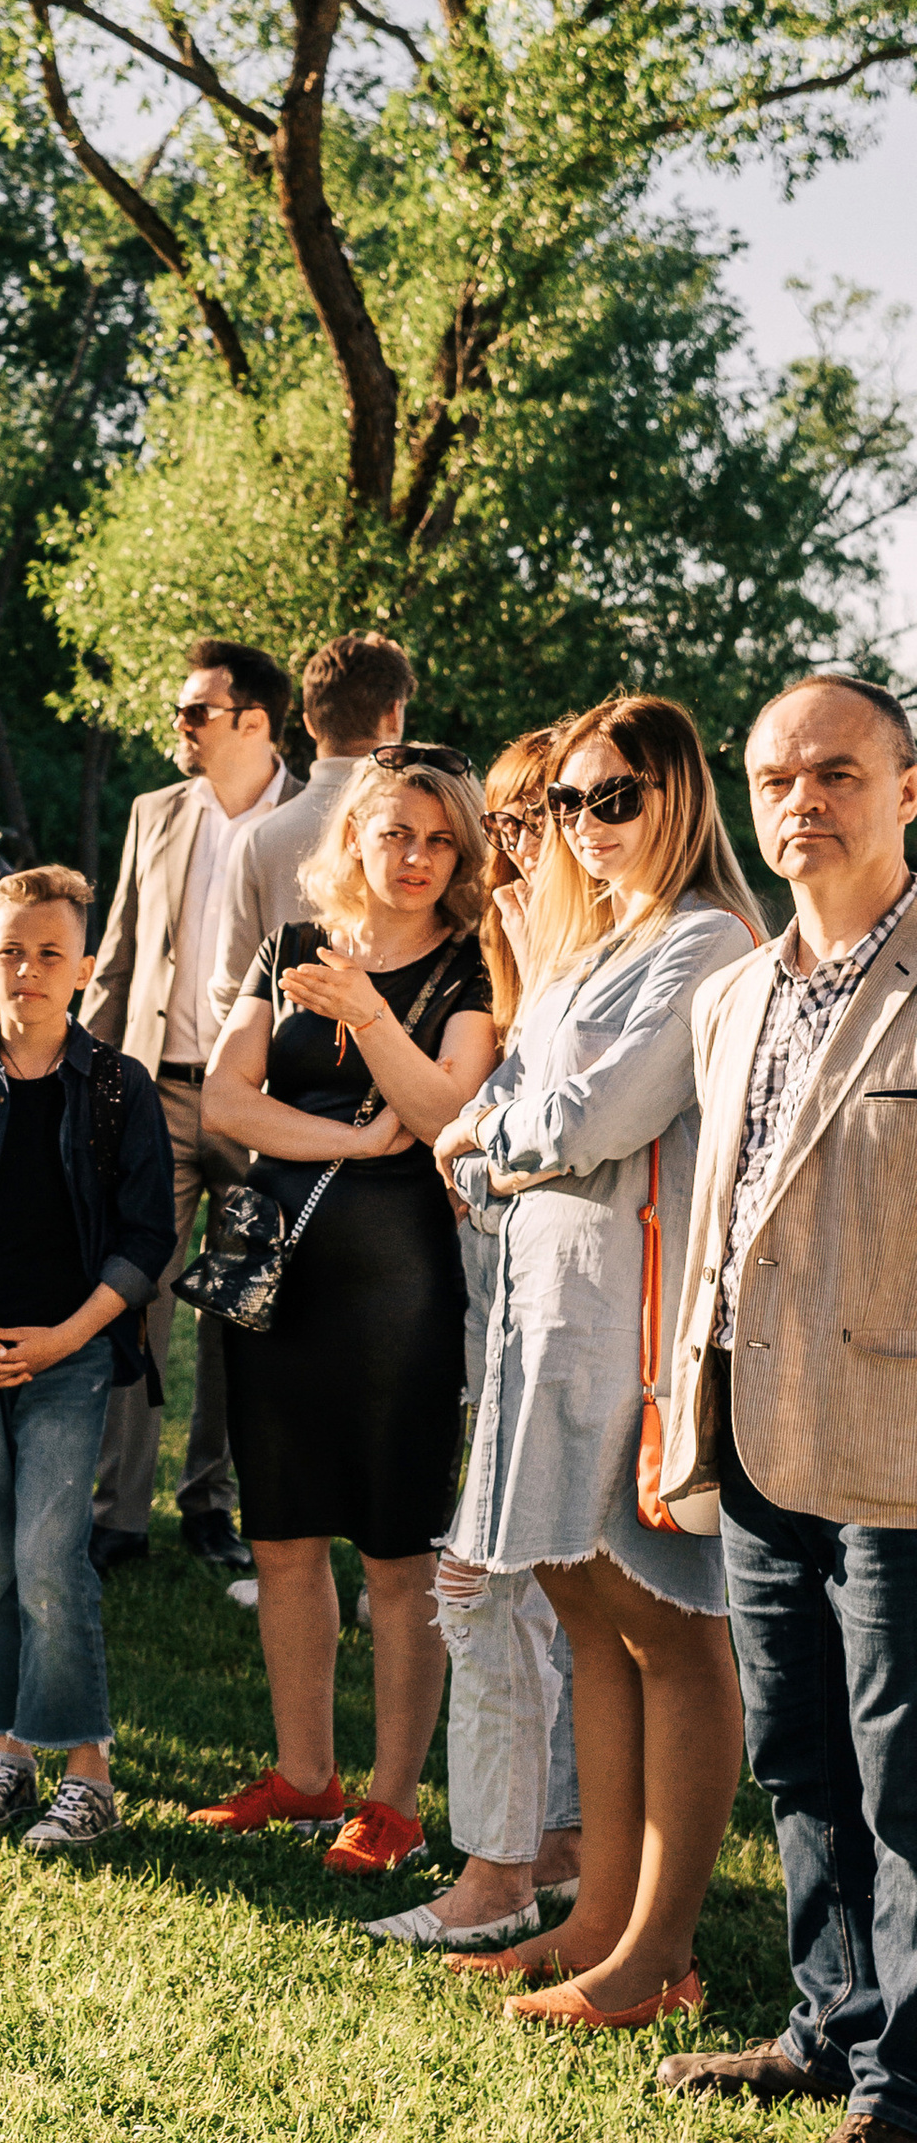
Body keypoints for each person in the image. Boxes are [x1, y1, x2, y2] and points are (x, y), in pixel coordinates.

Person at [433, 696, 759, 2029]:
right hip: (543, 1314)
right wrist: (505, 1127)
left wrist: (495, 1141)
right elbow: (515, 1092)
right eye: (568, 802)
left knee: (671, 1628)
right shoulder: (592, 939)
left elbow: (589, 1112)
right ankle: (596, 1914)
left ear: (678, 794)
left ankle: (658, 1949)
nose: (586, 824)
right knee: (586, 1613)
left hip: (631, 1327)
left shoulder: (707, 938)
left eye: (613, 795)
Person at [653, 674, 917, 2143]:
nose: (801, 799)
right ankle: (828, 2026)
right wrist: (674, 1401)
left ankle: (906, 2096)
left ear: (904, 791)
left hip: (897, 1438)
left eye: (836, 771)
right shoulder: (734, 991)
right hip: (749, 1426)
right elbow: (716, 1225)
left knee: (908, 1768)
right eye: (773, 778)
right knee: (801, 1747)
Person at [198, 750, 499, 1865]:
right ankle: (305, 1775)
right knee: (279, 1536)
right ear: (353, 841)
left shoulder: (475, 969)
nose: (416, 858)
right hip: (276, 1276)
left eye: (438, 841)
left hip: (402, 1287)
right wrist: (349, 1137)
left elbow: (442, 1112)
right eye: (395, 835)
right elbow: (227, 1105)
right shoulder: (290, 952)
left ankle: (394, 1803)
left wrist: (370, 1019)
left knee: (394, 1555)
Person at [0, 867, 176, 1853]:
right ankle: (11, 1756)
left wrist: (65, 1336)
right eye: (10, 951)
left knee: (52, 1560)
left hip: (69, 1354)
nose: (28, 969)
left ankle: (86, 1773)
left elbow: (145, 1241)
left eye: (50, 953)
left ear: (85, 970)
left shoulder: (116, 1088)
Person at [370, 724, 585, 1952]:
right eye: (498, 825)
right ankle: (546, 1846)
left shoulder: (601, 960)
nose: (512, 848)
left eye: (528, 821)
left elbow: (495, 1132)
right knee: (520, 1599)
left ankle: (502, 1872)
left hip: (564, 1333)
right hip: (492, 1325)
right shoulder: (528, 962)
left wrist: (468, 1144)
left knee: (488, 1591)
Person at [84, 636, 297, 1580]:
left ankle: (210, 1505)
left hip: (262, 1106)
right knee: (132, 1296)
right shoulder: (153, 812)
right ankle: (114, 1514)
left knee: (237, 1316)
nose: (180, 724)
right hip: (153, 1093)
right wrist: (82, 1076)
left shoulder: (316, 819)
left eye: (197, 710)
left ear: (253, 721)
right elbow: (121, 950)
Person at [207, 629, 414, 1037]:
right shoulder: (434, 831)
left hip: (281, 1077)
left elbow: (232, 992)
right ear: (393, 714)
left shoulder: (259, 838)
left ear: (309, 724)